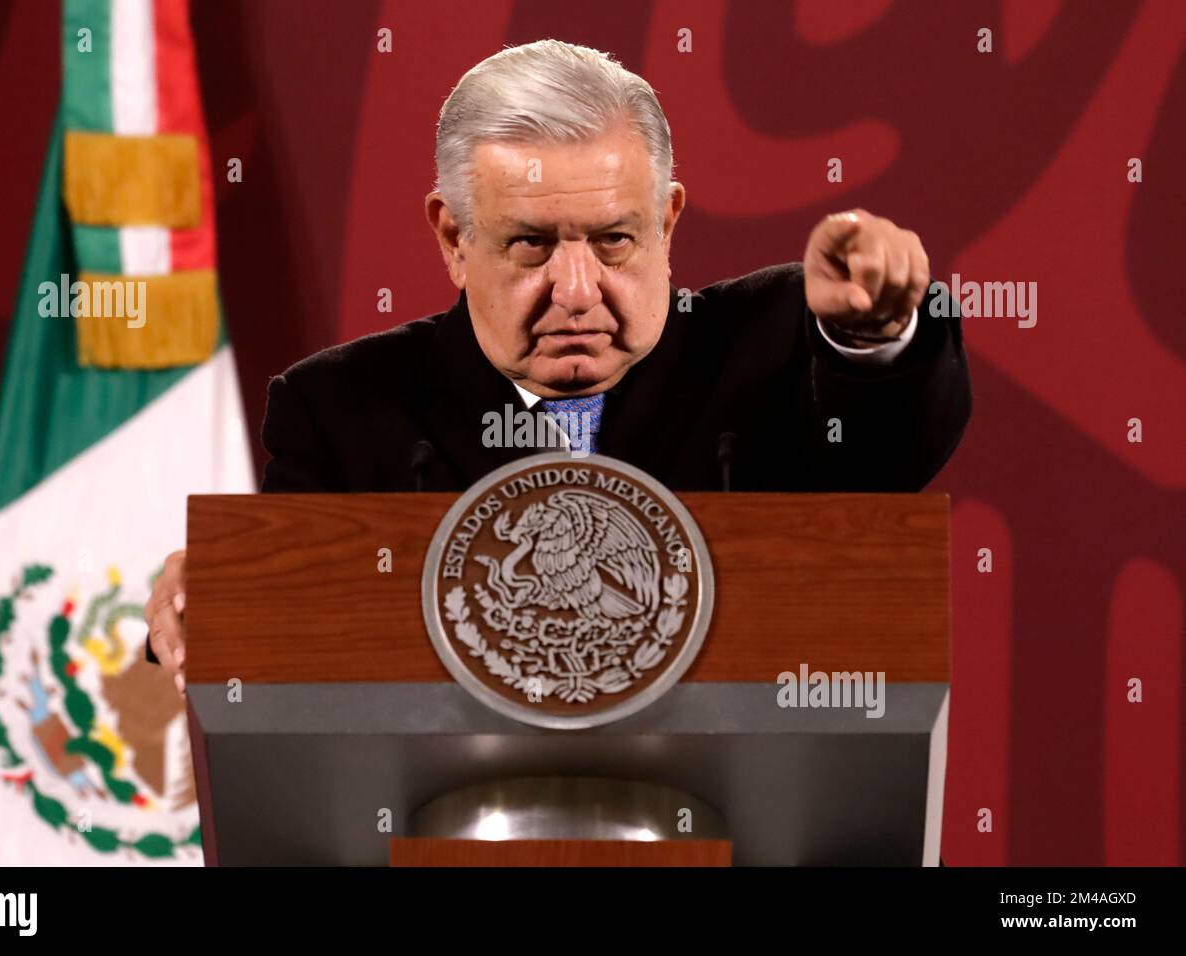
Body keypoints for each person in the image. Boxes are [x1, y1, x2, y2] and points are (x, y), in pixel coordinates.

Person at [145, 39, 971, 693]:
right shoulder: (343, 409)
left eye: (615, 240)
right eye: (531, 244)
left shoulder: (782, 341)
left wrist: (877, 334)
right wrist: (234, 597)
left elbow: (888, 450)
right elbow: (291, 636)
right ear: (452, 237)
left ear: (668, 220)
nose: (577, 292)